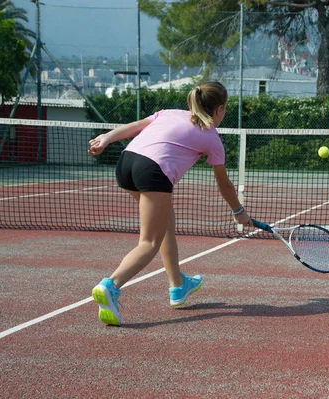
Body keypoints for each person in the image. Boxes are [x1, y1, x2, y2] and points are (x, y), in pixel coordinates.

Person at [87, 82, 251, 326]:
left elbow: (136, 127)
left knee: (165, 223)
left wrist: (107, 138)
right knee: (149, 242)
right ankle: (110, 286)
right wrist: (238, 211)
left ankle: (177, 286)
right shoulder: (212, 137)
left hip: (126, 164)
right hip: (152, 170)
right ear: (219, 109)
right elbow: (224, 183)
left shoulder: (170, 113)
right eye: (225, 109)